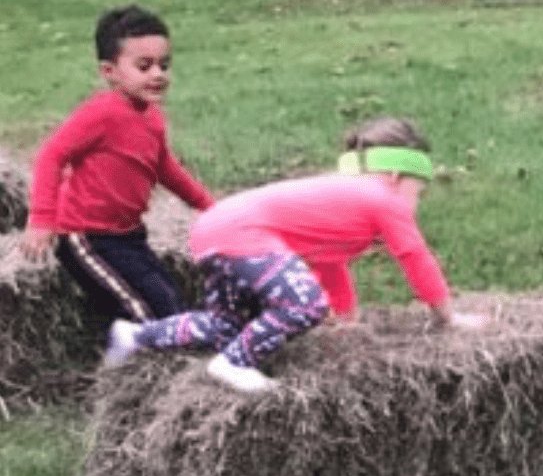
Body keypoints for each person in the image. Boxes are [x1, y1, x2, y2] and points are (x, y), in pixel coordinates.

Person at [103, 117, 485, 393]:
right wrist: (447, 318)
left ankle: (136, 335)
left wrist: (347, 313)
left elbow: (326, 256)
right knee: (305, 305)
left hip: (214, 231)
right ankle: (233, 363)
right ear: (398, 177)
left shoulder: (345, 196)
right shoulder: (384, 199)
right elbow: (415, 258)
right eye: (418, 191)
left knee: (225, 324)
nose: (415, 202)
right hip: (245, 235)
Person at [22, 5, 214, 327]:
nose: (157, 74)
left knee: (169, 299)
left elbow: (164, 166)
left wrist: (207, 206)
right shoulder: (101, 114)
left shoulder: (151, 115)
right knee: (150, 317)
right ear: (109, 71)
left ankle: (126, 354)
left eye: (164, 65)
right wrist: (42, 219)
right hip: (86, 237)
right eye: (144, 66)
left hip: (129, 235)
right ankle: (141, 362)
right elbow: (51, 156)